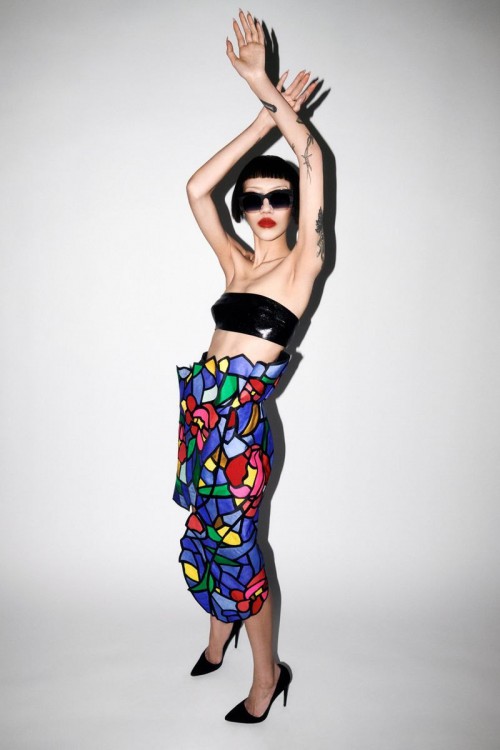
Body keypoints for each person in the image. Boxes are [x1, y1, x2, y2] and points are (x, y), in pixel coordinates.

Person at [172, 11, 325, 723]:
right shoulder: (236, 265)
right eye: (255, 198)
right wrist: (261, 121)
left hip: (240, 433)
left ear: (295, 208)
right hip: (199, 417)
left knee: (239, 553)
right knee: (206, 532)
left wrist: (271, 93)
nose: (266, 207)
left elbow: (312, 157)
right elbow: (196, 189)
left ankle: (268, 675)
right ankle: (218, 635)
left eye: (279, 197)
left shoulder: (302, 267)